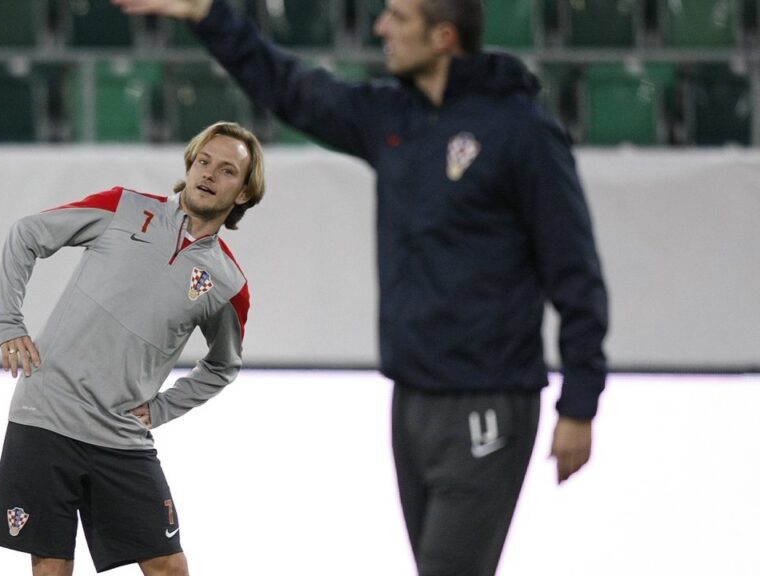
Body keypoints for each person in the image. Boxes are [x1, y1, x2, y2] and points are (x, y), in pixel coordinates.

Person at [112, 1, 609, 574]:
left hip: (490, 397)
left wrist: (579, 402)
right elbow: (291, 88)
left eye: (398, 16)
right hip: (411, 396)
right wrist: (207, 14)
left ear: (443, 37)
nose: (381, 27)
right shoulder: (395, 117)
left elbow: (575, 271)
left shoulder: (523, 133)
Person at [0, 121, 265, 576]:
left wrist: (161, 409)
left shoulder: (228, 284)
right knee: (51, 568)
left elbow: (222, 365)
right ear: (190, 165)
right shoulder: (124, 207)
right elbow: (27, 233)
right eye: (203, 161)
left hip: (120, 436)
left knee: (169, 568)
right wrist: (8, 324)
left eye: (227, 170)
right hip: (45, 416)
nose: (209, 174)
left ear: (244, 193)